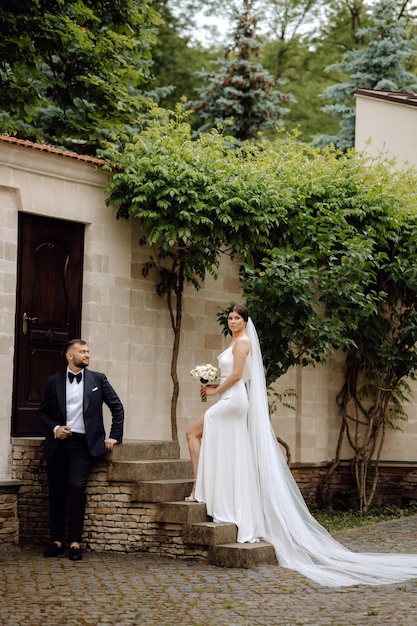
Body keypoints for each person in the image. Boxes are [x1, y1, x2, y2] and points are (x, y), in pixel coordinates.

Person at [186, 304, 417, 587]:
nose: (233, 321)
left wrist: (214, 389)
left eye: (237, 318)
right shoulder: (235, 341)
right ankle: (207, 490)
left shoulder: (243, 342)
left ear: (246, 322)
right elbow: (230, 375)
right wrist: (210, 383)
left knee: (192, 433)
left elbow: (235, 377)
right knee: (217, 443)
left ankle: (199, 487)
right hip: (229, 400)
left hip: (233, 401)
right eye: (230, 318)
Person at [38, 339, 124, 561]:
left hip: (82, 445)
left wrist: (114, 436)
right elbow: (42, 413)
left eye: (88, 351)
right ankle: (56, 540)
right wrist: (55, 428)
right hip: (58, 444)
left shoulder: (98, 379)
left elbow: (117, 407)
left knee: (76, 488)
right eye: (82, 351)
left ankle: (75, 542)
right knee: (56, 491)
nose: (87, 355)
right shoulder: (53, 381)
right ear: (70, 356)